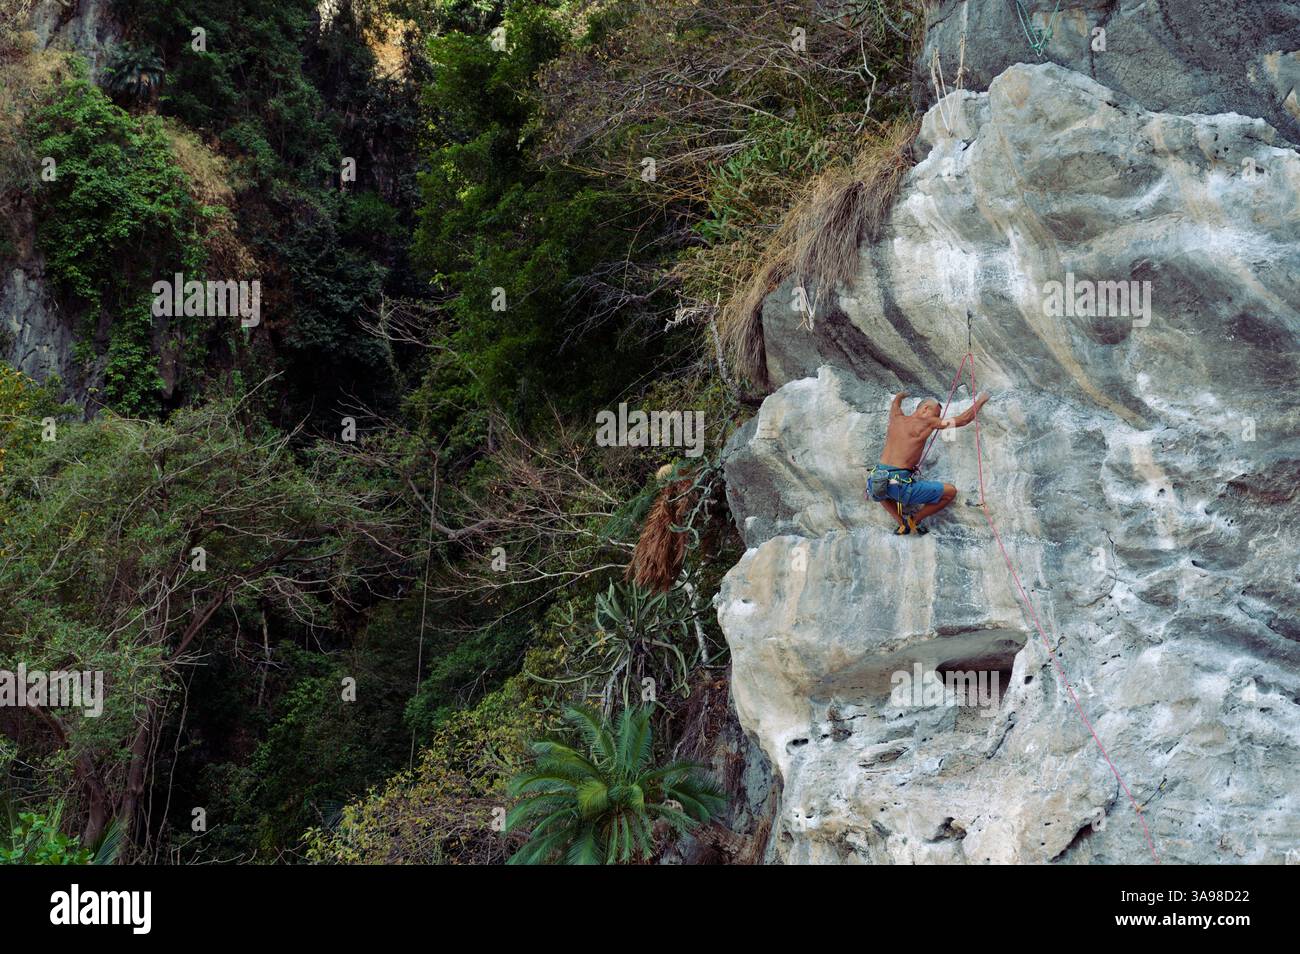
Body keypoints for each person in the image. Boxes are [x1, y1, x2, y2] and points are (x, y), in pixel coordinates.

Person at [866, 390, 989, 535]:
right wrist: (981, 400)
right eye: (936, 414)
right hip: (899, 486)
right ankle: (914, 520)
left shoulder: (896, 418)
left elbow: (895, 404)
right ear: (925, 409)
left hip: (875, 481)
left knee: (882, 490)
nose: (938, 418)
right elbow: (963, 420)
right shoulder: (927, 422)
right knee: (950, 492)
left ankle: (901, 524)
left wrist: (901, 395)